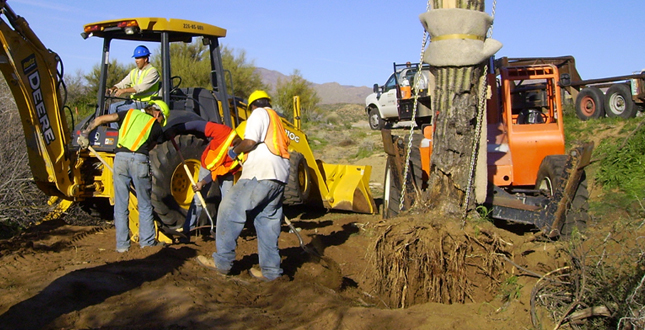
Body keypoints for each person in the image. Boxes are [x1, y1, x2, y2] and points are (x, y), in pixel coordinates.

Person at [196, 90, 290, 281]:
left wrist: (234, 152)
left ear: (252, 106)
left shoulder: (258, 113)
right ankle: (271, 272)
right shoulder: (277, 121)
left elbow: (250, 141)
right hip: (279, 177)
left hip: (260, 174)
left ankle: (222, 261)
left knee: (228, 210)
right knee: (266, 223)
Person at [77, 100, 170, 252]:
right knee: (145, 204)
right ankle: (147, 243)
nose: (161, 122)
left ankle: (122, 247)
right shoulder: (156, 126)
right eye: (162, 119)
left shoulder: (129, 113)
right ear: (158, 113)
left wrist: (85, 134)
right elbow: (151, 147)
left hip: (120, 159)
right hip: (139, 161)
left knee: (120, 205)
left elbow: (100, 119)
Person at [167, 120, 243, 242]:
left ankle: (226, 234)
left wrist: (203, 182)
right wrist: (178, 128)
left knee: (228, 202)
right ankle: (188, 231)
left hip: (226, 172)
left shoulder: (242, 156)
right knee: (198, 198)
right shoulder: (222, 131)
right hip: (207, 165)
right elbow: (197, 125)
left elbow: (218, 172)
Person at [107, 45, 160, 127]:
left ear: (146, 59)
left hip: (145, 103)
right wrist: (114, 87)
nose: (136, 61)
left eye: (138, 58)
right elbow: (124, 83)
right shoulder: (134, 72)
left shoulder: (152, 72)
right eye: (135, 58)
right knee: (112, 106)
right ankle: (115, 130)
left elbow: (141, 88)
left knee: (116, 110)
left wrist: (123, 91)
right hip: (134, 101)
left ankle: (115, 133)